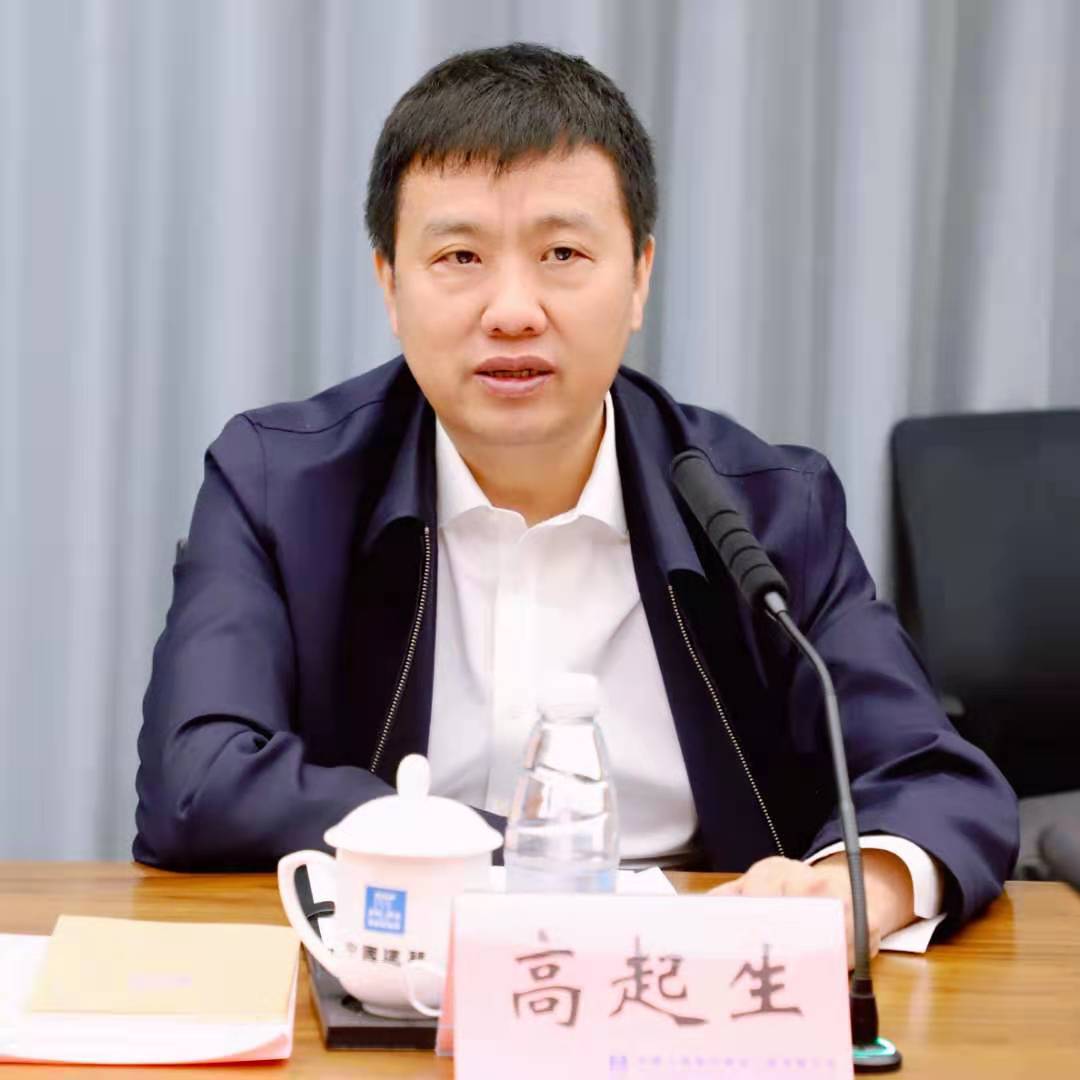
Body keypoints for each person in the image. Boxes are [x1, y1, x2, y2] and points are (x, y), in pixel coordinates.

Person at [134, 42, 1017, 960]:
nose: (512, 310)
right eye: (460, 256)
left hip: (682, 984)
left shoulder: (762, 510)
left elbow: (935, 780)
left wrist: (851, 892)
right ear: (390, 285)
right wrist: (508, 859)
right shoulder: (282, 486)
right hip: (389, 974)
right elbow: (196, 781)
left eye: (562, 253)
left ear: (638, 277)